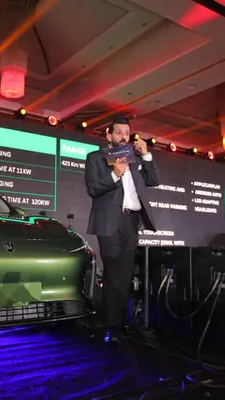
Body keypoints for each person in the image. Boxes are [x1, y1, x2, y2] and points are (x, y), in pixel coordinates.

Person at [84, 117, 160, 343]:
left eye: (127, 132)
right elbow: (92, 188)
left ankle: (123, 322)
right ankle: (112, 325)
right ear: (108, 135)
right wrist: (114, 175)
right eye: (118, 132)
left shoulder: (135, 159)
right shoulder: (95, 158)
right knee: (113, 274)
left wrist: (146, 155)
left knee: (125, 275)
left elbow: (154, 180)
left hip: (131, 221)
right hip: (110, 221)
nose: (124, 136)